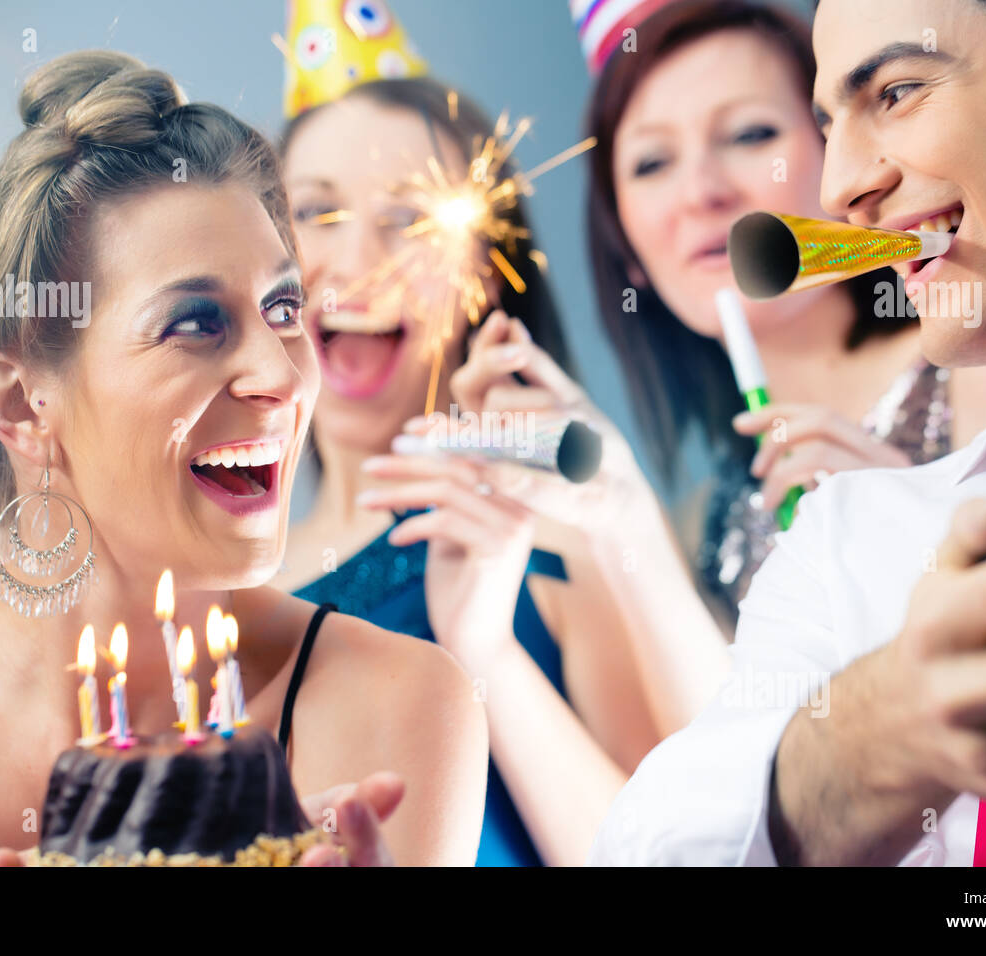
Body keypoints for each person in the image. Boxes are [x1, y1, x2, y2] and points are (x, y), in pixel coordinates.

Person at [0, 50, 487, 867]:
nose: (284, 375)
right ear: (17, 404)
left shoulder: (405, 702)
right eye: (196, 323)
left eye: (284, 306)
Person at [591, 0, 986, 866]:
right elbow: (650, 847)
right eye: (829, 122)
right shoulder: (843, 541)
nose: (843, 188)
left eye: (899, 91)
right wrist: (879, 739)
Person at [443, 0, 986, 736]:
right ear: (628, 249)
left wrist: (904, 532)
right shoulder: (695, 532)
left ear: (844, 158)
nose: (700, 191)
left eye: (749, 135)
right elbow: (727, 797)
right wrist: (623, 518)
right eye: (651, 163)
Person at [271, 0, 659, 866]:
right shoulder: (220, 585)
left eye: (411, 220)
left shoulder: (557, 531)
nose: (358, 259)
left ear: (486, 274)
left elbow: (673, 851)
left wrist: (481, 649)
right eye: (317, 213)